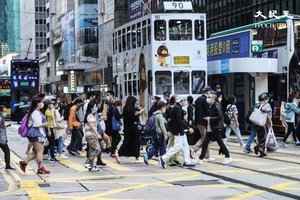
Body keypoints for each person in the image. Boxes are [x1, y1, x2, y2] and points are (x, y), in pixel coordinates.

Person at [160, 96, 196, 168]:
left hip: (179, 130)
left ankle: (187, 160)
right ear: (181, 101)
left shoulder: (177, 108)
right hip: (178, 130)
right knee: (178, 146)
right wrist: (188, 128)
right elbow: (179, 121)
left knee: (185, 145)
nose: (185, 102)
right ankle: (164, 158)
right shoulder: (177, 108)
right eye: (184, 101)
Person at [19, 96, 50, 174]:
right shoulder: (36, 112)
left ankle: (24, 163)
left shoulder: (35, 111)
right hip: (36, 134)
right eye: (41, 102)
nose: (43, 103)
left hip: (35, 134)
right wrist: (46, 123)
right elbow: (37, 124)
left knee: (36, 152)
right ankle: (40, 168)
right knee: (40, 151)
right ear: (37, 104)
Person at [199, 90, 231, 164]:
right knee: (205, 142)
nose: (207, 98)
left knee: (220, 142)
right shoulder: (211, 106)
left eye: (209, 97)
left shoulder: (217, 105)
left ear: (213, 98)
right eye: (208, 97)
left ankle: (228, 156)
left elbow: (220, 117)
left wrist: (209, 118)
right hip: (211, 126)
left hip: (216, 127)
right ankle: (201, 158)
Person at [191, 88, 210, 159]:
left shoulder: (198, 99)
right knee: (205, 138)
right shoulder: (205, 100)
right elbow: (207, 112)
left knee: (205, 138)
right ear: (207, 92)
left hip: (198, 122)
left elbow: (195, 112)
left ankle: (206, 155)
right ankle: (194, 149)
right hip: (204, 122)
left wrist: (195, 122)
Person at [84, 102, 102, 172]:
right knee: (97, 149)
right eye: (95, 107)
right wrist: (97, 134)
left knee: (93, 150)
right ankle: (88, 162)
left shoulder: (93, 115)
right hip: (91, 135)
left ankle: (92, 166)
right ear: (91, 108)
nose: (96, 108)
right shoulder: (89, 116)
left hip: (92, 135)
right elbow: (92, 127)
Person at [254, 93, 272, 157]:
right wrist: (270, 124)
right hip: (264, 123)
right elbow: (268, 116)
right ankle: (260, 149)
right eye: (267, 98)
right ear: (265, 99)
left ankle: (260, 149)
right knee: (264, 137)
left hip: (257, 123)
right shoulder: (267, 105)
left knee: (259, 137)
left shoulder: (257, 105)